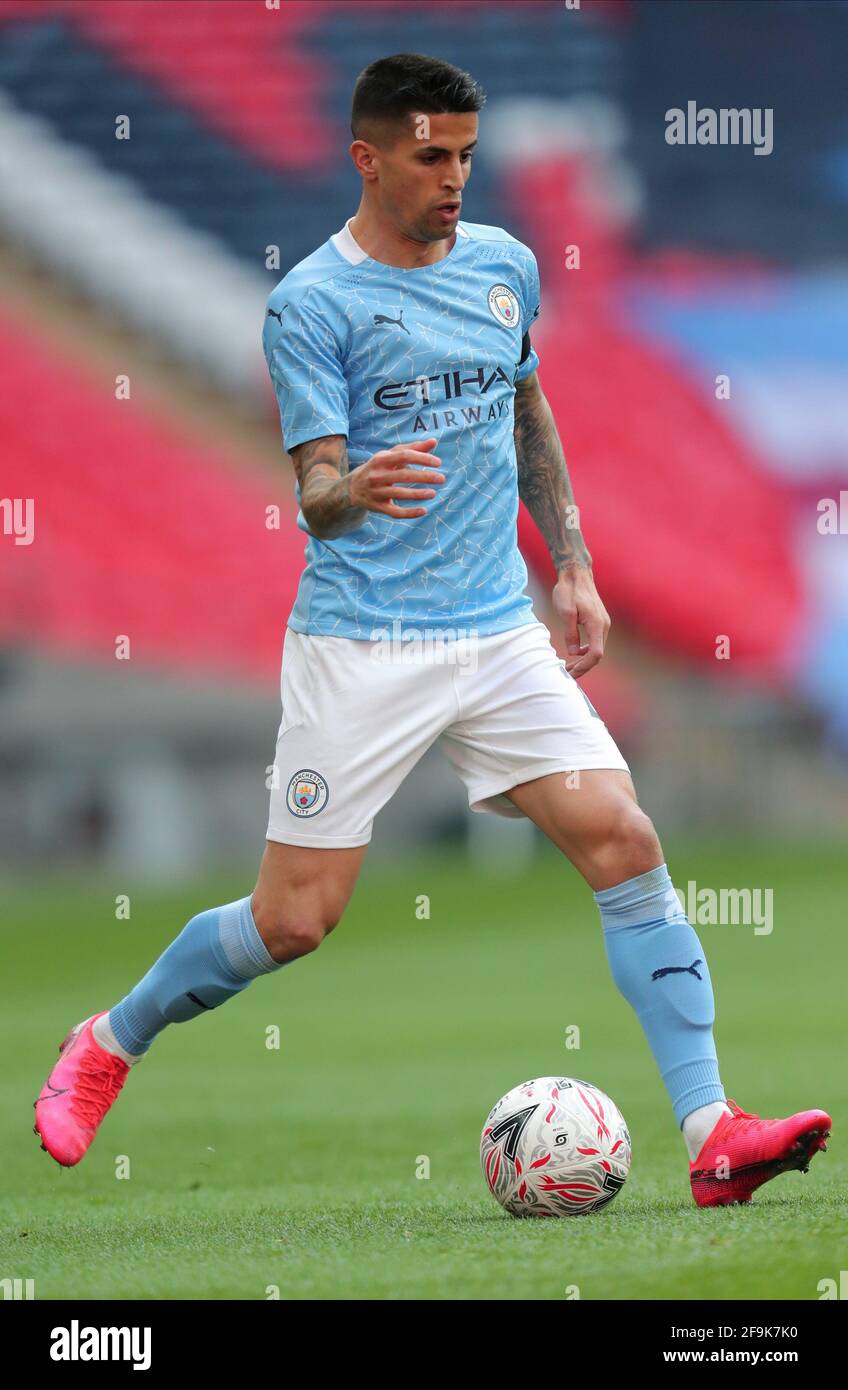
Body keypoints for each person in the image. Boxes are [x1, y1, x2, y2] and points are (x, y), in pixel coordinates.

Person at [35, 53, 830, 1207]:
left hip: (493, 627)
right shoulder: (313, 304)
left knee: (622, 838)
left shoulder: (503, 267)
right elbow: (311, 489)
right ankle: (110, 1037)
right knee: (294, 920)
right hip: (362, 643)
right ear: (366, 158)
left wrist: (575, 565)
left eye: (464, 152)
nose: (455, 176)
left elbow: (523, 403)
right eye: (429, 156)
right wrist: (362, 485)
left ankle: (712, 1134)